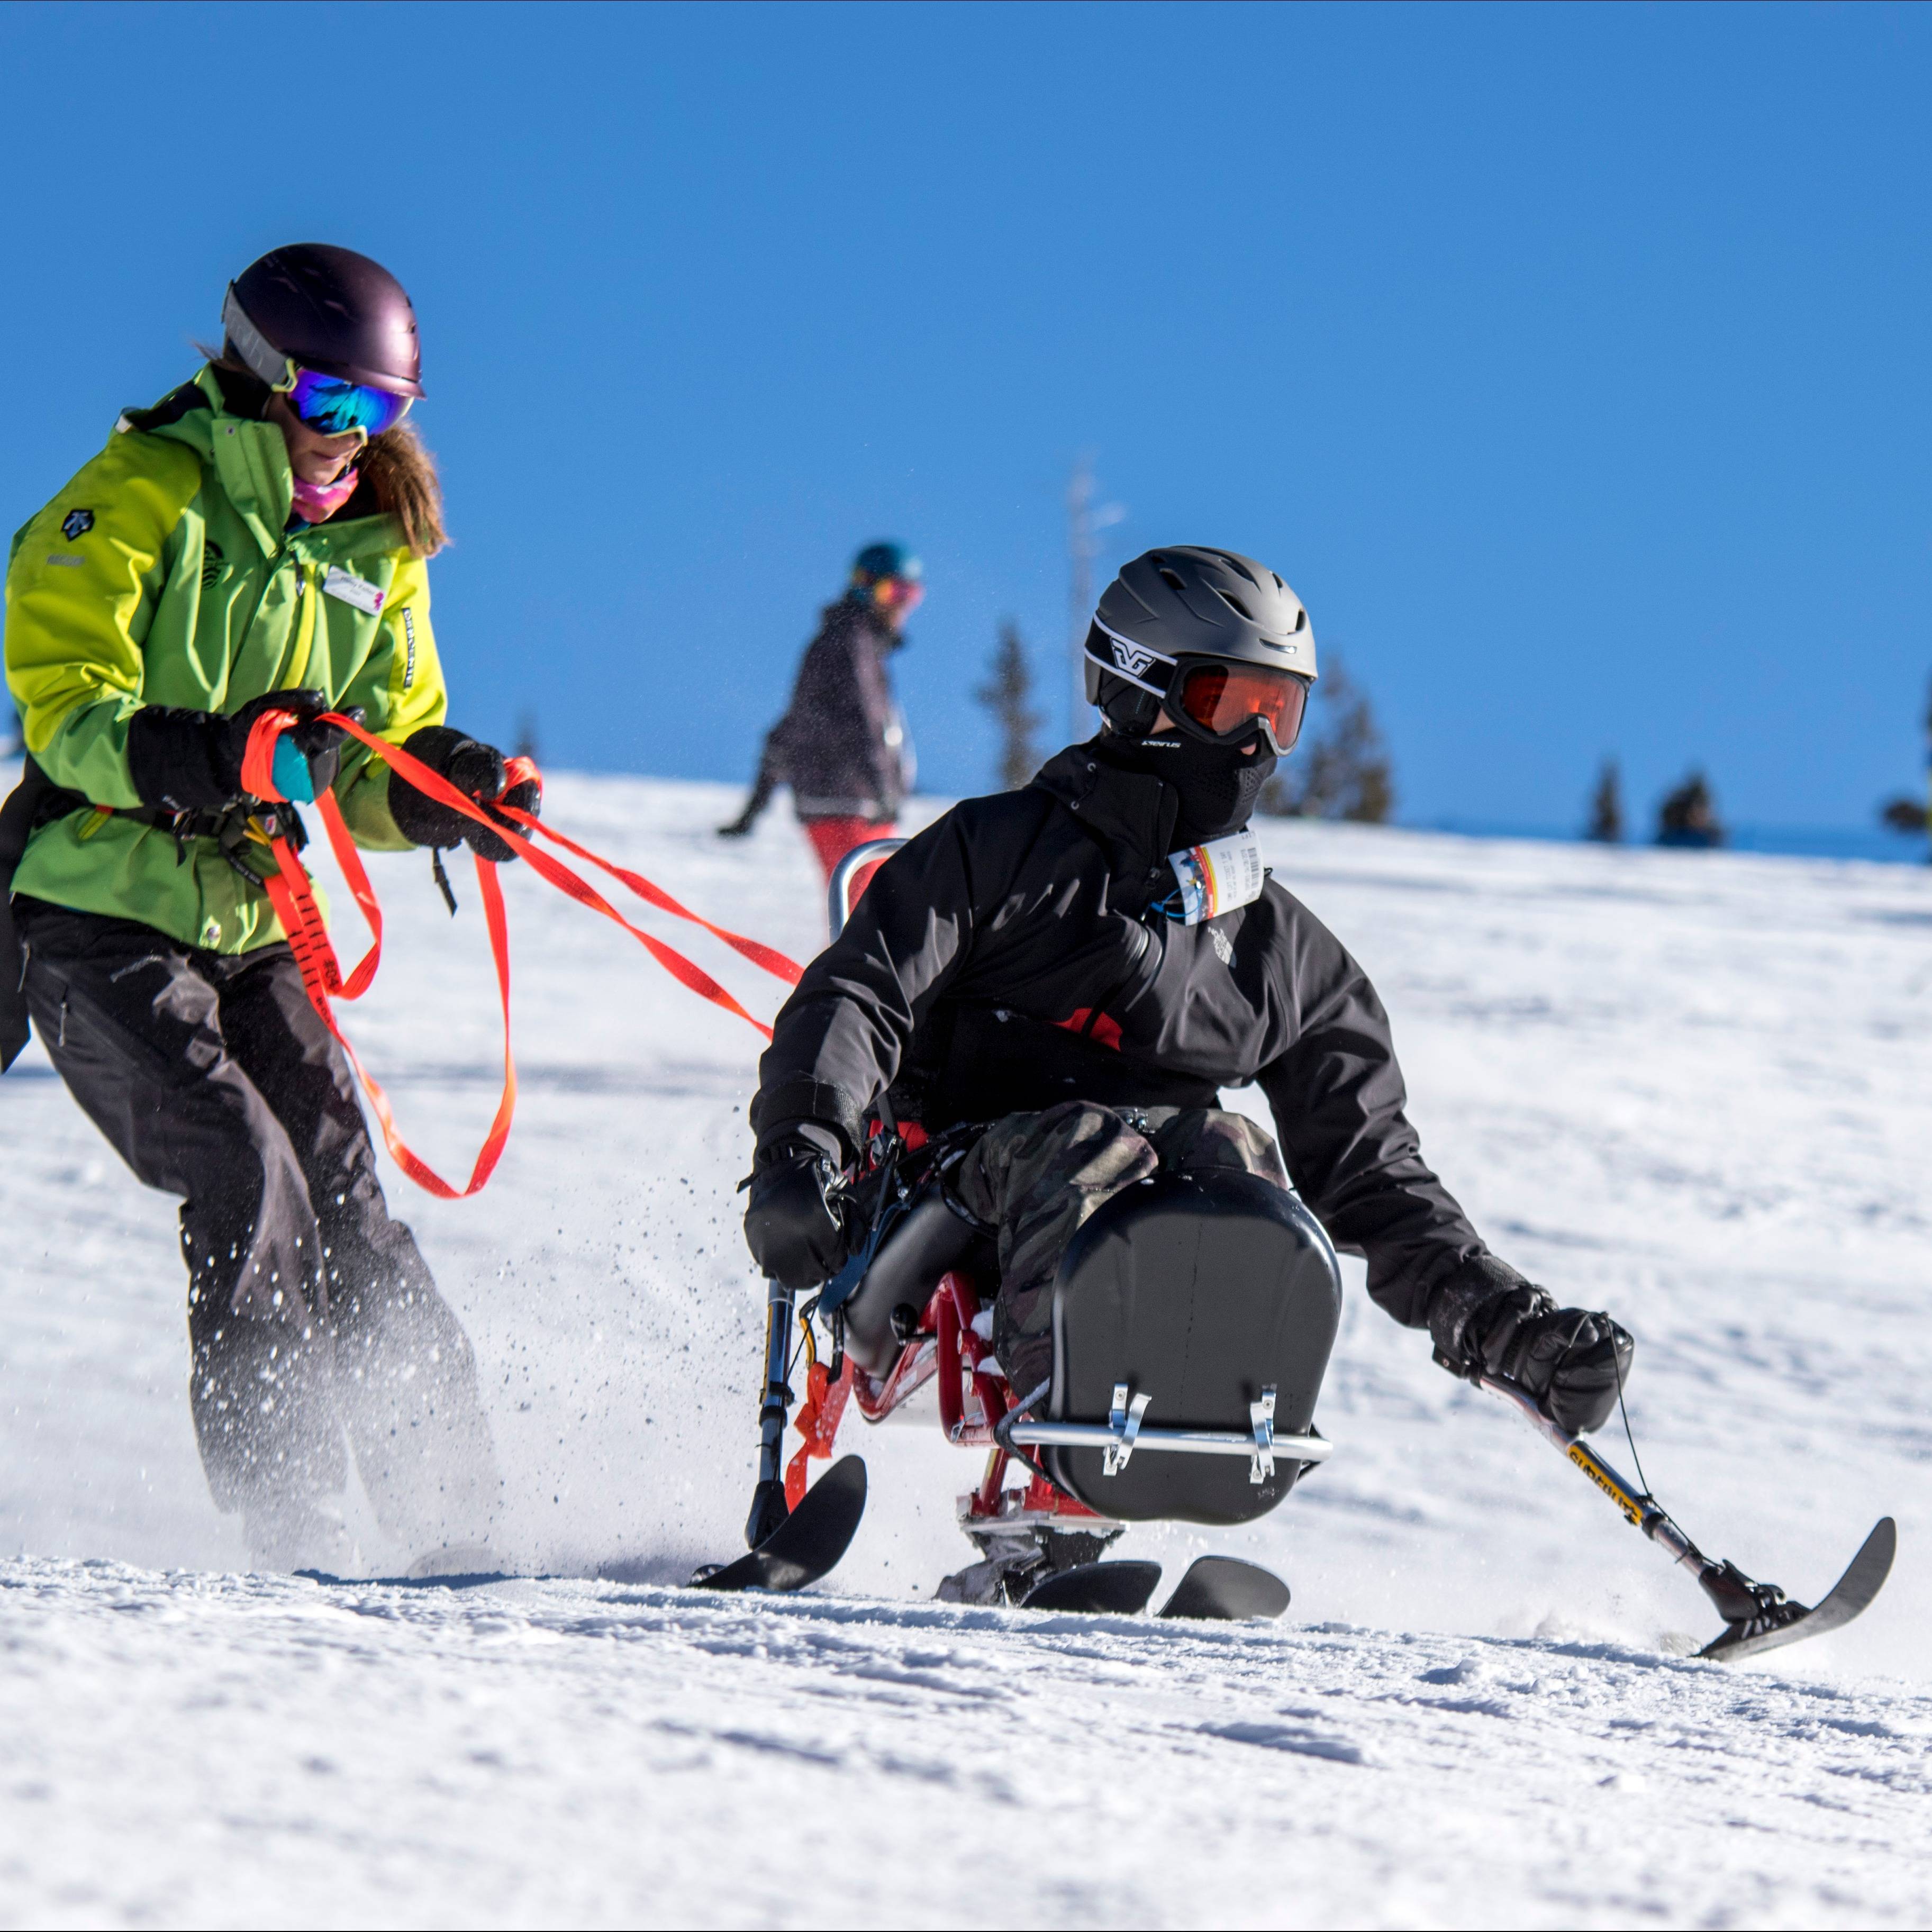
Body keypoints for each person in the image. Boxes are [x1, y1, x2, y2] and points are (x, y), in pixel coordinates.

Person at [741, 546, 1632, 1445]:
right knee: (1092, 1148)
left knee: (1235, 1156)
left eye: (1280, 712)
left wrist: (1499, 1315)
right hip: (939, 1214)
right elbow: (858, 992)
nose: (1257, 744)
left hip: (1126, 1238)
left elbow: (1370, 1171)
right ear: (1140, 691)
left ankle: (1193, 1453)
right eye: (1229, 703)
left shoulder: (1281, 951)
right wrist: (802, 1149)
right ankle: (1062, 1450)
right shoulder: (1000, 854)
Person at [0, 243, 538, 1574]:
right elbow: (64, 710)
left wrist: (442, 790)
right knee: (247, 1167)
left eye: (384, 414)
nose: (352, 442)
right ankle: (286, 1509)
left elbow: (372, 746)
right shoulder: (144, 492)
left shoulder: (376, 544)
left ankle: (451, 1513)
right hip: (95, 905)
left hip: (245, 923)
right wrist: (219, 756)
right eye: (333, 405)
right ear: (258, 373)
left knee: (348, 1190)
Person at [719, 541, 920, 890]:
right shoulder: (849, 642)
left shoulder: (852, 644)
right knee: (869, 922)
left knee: (867, 919)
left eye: (912, 593)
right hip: (850, 800)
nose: (903, 603)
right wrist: (884, 790)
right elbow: (864, 721)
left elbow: (794, 724)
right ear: (864, 585)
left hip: (847, 800)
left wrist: (754, 808)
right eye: (894, 590)